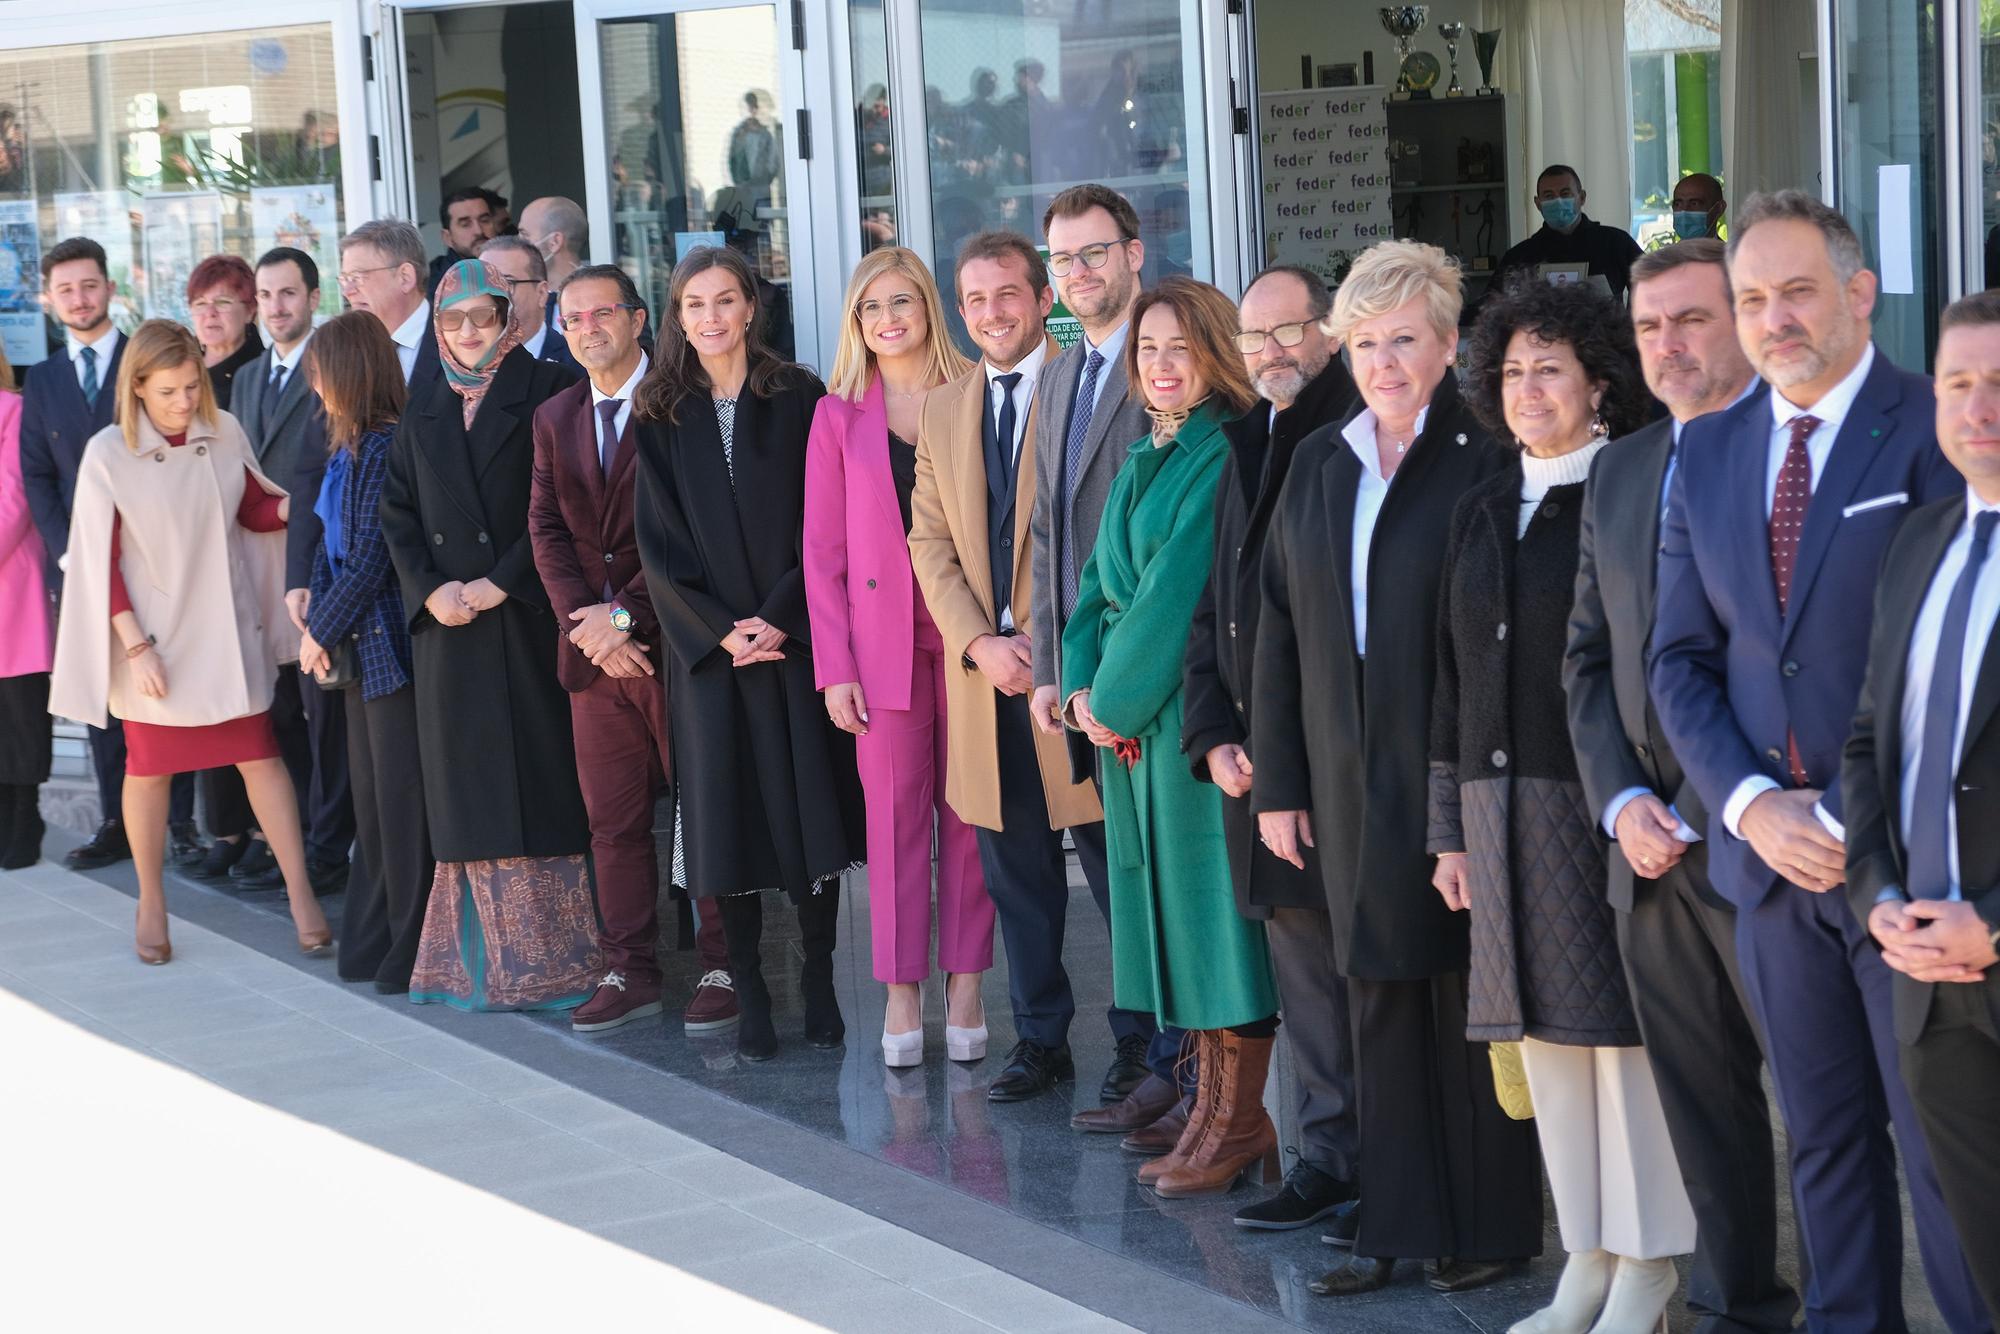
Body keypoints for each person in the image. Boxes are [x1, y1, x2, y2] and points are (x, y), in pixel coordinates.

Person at [1648, 190, 1988, 1333]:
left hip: (1906, 871)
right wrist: (1746, 807)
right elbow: (1676, 659)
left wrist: (1859, 829)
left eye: (1795, 291)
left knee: (1944, 1151)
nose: (1771, 319)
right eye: (1750, 299)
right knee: (1824, 1139)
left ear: (1856, 294)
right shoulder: (1709, 449)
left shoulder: (1936, 424)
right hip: (1768, 874)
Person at [1252, 240, 1538, 1298]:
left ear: (1447, 343)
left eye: (1401, 339)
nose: (1380, 360)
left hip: (1453, 772)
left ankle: (1493, 1223)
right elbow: (1275, 631)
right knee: (1370, 990)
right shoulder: (1323, 460)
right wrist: (1277, 783)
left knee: (1467, 1000)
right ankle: (1393, 1217)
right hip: (1338, 774)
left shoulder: (1485, 457)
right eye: (1363, 342)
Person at [1437, 280, 1692, 1334]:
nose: (1527, 388)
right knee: (1543, 1045)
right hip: (1494, 815)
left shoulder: (1631, 490)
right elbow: (1448, 677)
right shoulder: (1483, 501)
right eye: (1510, 370)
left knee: (1621, 1042)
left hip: (1595, 809)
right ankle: (1584, 1253)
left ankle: (1651, 1263)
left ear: (1597, 382)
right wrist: (1442, 826)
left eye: (1549, 368)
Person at [1563, 238, 1798, 1333]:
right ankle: (1734, 1305)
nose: (1668, 344)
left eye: (1691, 319)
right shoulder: (1618, 467)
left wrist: (1716, 808)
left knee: (1827, 1110)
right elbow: (1583, 658)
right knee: (1701, 1110)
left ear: (1744, 322)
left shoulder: (1794, 457)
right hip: (1646, 858)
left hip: (1772, 850)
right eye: (1650, 325)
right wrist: (1620, 803)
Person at [1060, 275, 1278, 1197]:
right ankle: (1204, 1103)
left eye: (1178, 350)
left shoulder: (1221, 452)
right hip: (1132, 731)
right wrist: (1079, 693)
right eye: (1147, 351)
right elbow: (1092, 593)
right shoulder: (1148, 452)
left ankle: (1238, 1119)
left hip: (1184, 727)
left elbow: (1171, 601)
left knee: (1212, 922)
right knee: (1170, 925)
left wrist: (1109, 702)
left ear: (1215, 355)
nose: (1159, 366)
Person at [632, 246, 865, 1061]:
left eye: (724, 301)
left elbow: (826, 519)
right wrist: (718, 630)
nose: (710, 318)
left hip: (793, 639)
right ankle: (753, 991)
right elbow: (655, 544)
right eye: (693, 305)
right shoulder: (658, 410)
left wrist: (779, 617)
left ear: (750, 307)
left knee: (805, 808)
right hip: (710, 657)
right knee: (724, 818)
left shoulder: (796, 394)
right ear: (678, 318)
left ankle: (822, 978)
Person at [47, 320, 334, 964]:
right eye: (171, 390)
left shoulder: (223, 430)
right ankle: (151, 903)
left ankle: (300, 897)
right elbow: (101, 563)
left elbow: (250, 509)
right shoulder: (107, 453)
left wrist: (304, 505)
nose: (185, 401)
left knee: (261, 757)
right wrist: (135, 648)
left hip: (227, 631)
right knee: (147, 770)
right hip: (155, 643)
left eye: (193, 386)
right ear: (139, 387)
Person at [1182, 265, 1361, 1230]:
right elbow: (1215, 612)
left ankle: (1375, 1166)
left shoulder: (1355, 433)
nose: (1270, 354)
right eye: (1253, 340)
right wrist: (1211, 735)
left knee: (1361, 976)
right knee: (1304, 975)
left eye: (1287, 332)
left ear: (1329, 331)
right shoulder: (1246, 438)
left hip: (1333, 764)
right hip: (1253, 766)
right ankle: (1328, 1160)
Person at [908, 230, 1108, 1088]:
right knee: (1018, 876)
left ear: (1043, 300)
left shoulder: (1088, 387)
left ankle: (1143, 1042)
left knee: (1109, 870)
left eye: (1009, 294)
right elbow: (930, 540)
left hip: (1074, 678)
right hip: (988, 680)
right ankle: (1042, 1041)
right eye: (976, 298)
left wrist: (1049, 646)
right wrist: (981, 644)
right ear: (962, 309)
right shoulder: (945, 407)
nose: (992, 312)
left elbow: (1097, 533)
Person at [378, 259, 598, 1012]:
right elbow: (397, 513)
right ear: (437, 327)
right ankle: (475, 968)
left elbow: (562, 509)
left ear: (510, 315)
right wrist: (431, 590)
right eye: (454, 319)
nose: (469, 331)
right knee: (468, 797)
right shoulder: (423, 400)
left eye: (484, 315)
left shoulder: (549, 391)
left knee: (542, 786)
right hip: (450, 629)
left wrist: (501, 582)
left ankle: (558, 967)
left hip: (526, 621)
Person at [529, 262, 736, 1035]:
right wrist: (588, 624)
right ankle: (629, 968)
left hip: (675, 649)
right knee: (611, 824)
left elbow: (695, 536)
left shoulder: (683, 405)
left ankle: (723, 963)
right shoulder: (554, 417)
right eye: (572, 319)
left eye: (602, 314)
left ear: (641, 318)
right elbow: (545, 530)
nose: (588, 330)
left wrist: (625, 620)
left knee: (703, 809)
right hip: (594, 660)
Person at [1846, 288, 2000, 1328]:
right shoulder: (1917, 541)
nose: (1976, 405)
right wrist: (1878, 893)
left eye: (1998, 384)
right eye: (1956, 383)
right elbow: (1866, 740)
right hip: (1922, 978)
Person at [804, 246, 988, 1067]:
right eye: (870, 308)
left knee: (974, 817)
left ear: (927, 307)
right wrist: (834, 667)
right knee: (895, 822)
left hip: (970, 638)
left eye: (902, 301)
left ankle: (968, 986)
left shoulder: (974, 393)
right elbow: (823, 554)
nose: (888, 319)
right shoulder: (837, 416)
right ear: (857, 323)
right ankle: (901, 992)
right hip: (881, 649)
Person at [1021, 183, 1168, 1107]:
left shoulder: (1167, 355)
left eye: (1095, 253)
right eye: (1063, 260)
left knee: (1160, 878)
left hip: (1143, 678)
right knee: (1111, 875)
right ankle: (1146, 1053)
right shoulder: (1061, 370)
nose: (1079, 272)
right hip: (1078, 678)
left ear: (1134, 253)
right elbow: (1045, 533)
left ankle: (1180, 1068)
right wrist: (1049, 668)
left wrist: (1111, 678)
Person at [19, 237, 198, 870]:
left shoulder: (142, 360)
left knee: (167, 688)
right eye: (64, 289)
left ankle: (180, 824)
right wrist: (72, 554)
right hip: (81, 569)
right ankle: (116, 822)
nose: (78, 298)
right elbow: (37, 476)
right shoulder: (40, 379)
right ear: (49, 298)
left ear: (110, 287)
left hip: (156, 558)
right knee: (105, 697)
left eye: (89, 285)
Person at [194, 247, 349, 896]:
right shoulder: (250, 377)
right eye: (265, 295)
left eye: (289, 294)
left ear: (314, 299)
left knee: (326, 712)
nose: (276, 307)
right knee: (280, 712)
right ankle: (282, 839)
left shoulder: (334, 368)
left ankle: (329, 846)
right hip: (260, 572)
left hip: (318, 566)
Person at [298, 312, 431, 993]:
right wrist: (320, 628)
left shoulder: (384, 447)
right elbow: (329, 550)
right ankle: (376, 944)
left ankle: (408, 952)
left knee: (402, 809)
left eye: (320, 371)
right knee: (374, 810)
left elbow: (373, 559)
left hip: (388, 651)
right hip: (356, 649)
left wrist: (317, 631)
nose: (314, 385)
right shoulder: (345, 450)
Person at [0, 347, 51, 869]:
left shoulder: (12, 409)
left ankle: (26, 813)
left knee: (19, 710)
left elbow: (15, 496)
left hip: (9, 584)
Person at [1492, 165, 1644, 302]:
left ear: (1582, 197)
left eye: (1565, 194)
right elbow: (1490, 304)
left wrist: (1631, 326)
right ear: (1538, 204)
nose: (1558, 201)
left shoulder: (1616, 243)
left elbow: (1650, 286)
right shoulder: (1520, 256)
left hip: (1607, 332)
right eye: (1549, 196)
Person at [337, 220, 443, 394]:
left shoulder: (458, 340)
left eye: (357, 277)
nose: (347, 291)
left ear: (405, 277)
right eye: (345, 279)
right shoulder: (345, 350)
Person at [481, 236, 581, 373]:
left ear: (541, 293)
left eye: (506, 284)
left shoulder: (577, 364)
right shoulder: (457, 364)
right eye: (481, 285)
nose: (489, 295)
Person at [188, 255, 265, 410]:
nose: (210, 313)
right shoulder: (177, 366)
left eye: (223, 302)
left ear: (250, 311)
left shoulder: (265, 375)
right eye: (200, 303)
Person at [518, 196, 589, 332]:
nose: (518, 243)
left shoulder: (601, 298)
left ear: (554, 242)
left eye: (524, 235)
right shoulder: (518, 299)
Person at [426, 186, 500, 295]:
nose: (478, 231)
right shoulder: (435, 284)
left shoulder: (513, 265)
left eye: (484, 220)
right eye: (465, 224)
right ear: (447, 237)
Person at [1669, 172, 1725, 242]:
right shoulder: (1665, 253)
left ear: (1719, 209)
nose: (1684, 210)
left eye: (1694, 204)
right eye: (1678, 204)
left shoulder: (1733, 253)